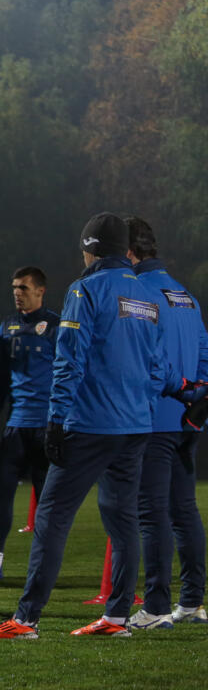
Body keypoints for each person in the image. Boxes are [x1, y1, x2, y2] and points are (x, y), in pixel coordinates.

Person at [0, 212, 170, 639]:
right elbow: (158, 367)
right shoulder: (147, 296)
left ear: (90, 248)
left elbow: (68, 360)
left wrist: (56, 419)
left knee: (52, 517)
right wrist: (139, 406)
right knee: (123, 522)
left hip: (90, 425)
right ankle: (116, 619)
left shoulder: (86, 290)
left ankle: (26, 619)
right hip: (136, 426)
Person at [127, 216, 208, 628]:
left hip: (153, 416)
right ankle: (192, 602)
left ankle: (156, 608)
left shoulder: (137, 293)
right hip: (187, 421)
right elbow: (205, 354)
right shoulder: (185, 295)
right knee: (183, 510)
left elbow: (148, 357)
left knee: (151, 512)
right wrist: (197, 400)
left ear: (128, 253)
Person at [0, 267, 57, 581]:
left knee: (47, 502)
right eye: (15, 287)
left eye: (23, 288)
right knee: (2, 493)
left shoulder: (57, 327)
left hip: (46, 426)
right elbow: (2, 377)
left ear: (41, 291)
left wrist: (63, 421)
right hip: (15, 426)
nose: (17, 293)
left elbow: (70, 376)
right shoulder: (7, 326)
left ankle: (44, 568)